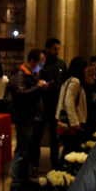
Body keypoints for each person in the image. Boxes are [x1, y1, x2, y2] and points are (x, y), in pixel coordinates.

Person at [7, 49, 49, 191]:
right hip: (24, 118)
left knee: (28, 150)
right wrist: (38, 88)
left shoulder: (32, 75)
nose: (42, 65)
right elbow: (20, 94)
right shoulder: (20, 74)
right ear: (33, 61)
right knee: (22, 150)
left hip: (31, 117)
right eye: (41, 62)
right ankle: (17, 182)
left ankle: (24, 180)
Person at [56, 56, 94, 163]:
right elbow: (69, 103)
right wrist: (74, 123)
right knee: (71, 151)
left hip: (66, 121)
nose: (86, 70)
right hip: (71, 122)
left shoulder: (68, 80)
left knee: (68, 149)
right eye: (85, 68)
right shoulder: (75, 81)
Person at [38, 37, 67, 172]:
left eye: (58, 49)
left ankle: (55, 164)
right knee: (37, 136)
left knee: (55, 137)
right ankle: (35, 163)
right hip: (42, 104)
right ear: (48, 49)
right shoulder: (41, 64)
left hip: (56, 105)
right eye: (55, 49)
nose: (57, 52)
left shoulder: (61, 64)